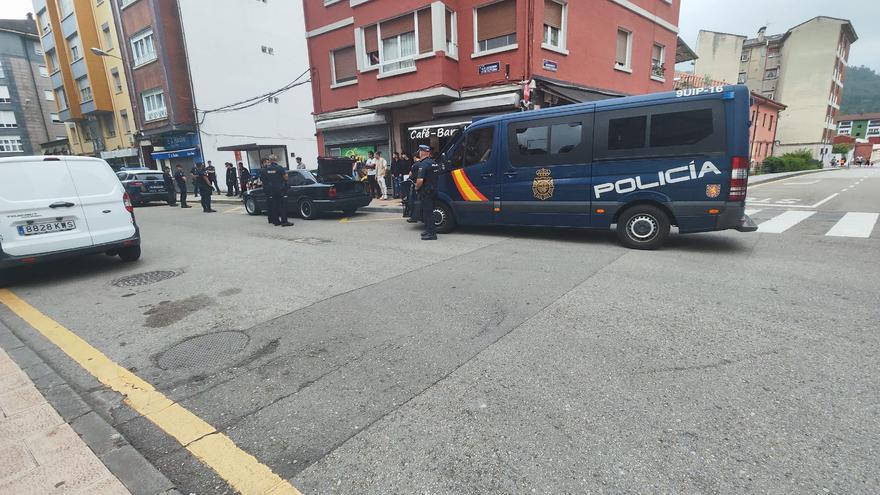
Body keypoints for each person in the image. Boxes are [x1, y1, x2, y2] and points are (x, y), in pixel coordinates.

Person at [259, 155, 293, 227]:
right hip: (280, 189)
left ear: (270, 160)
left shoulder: (266, 169)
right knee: (282, 206)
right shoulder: (279, 168)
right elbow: (286, 178)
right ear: (276, 160)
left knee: (274, 206)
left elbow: (264, 180)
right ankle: (284, 221)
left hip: (271, 190)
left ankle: (276, 221)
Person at [413, 145, 438, 239]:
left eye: (420, 151)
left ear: (422, 152)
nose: (419, 152)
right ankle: (428, 230)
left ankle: (432, 234)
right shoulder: (433, 162)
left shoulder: (423, 164)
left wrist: (416, 188)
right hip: (433, 191)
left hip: (426, 192)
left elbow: (420, 181)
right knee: (429, 212)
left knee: (428, 213)